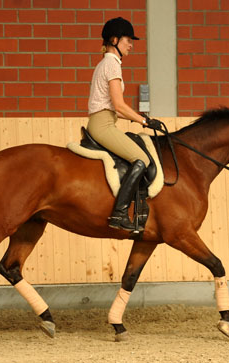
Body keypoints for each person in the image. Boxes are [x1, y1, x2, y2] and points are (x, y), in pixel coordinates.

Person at [87, 17, 151, 232]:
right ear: (114, 40)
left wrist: (142, 119)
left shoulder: (105, 63)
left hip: (104, 120)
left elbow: (115, 109)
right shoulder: (112, 65)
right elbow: (119, 105)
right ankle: (119, 213)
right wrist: (144, 121)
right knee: (141, 158)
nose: (131, 45)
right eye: (127, 40)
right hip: (103, 125)